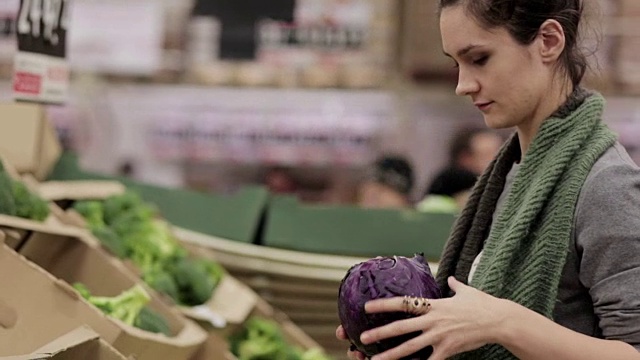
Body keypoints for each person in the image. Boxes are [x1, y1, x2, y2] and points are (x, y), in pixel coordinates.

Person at [337, 0, 640, 359]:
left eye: (479, 58)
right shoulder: (511, 177)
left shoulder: (607, 184)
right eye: (456, 63)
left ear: (548, 40)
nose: (462, 85)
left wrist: (503, 323)